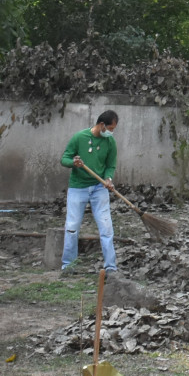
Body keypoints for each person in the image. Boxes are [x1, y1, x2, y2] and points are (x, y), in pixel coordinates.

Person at [59, 109, 119, 275]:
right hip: (78, 187)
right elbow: (64, 159)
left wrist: (108, 179)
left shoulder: (110, 142)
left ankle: (110, 267)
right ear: (101, 125)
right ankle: (68, 266)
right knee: (72, 226)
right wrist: (74, 162)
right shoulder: (80, 137)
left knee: (106, 227)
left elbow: (110, 165)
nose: (112, 132)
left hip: (99, 189)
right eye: (111, 128)